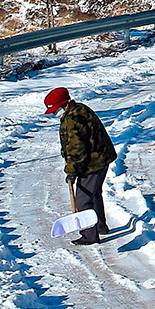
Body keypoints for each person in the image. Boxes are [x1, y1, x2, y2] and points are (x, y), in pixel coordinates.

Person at [45, 87, 117, 246]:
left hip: (94, 161)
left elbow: (77, 150)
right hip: (100, 157)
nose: (54, 114)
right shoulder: (77, 110)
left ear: (63, 105)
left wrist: (72, 171)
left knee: (83, 199)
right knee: (94, 193)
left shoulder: (73, 119)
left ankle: (89, 235)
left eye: (55, 110)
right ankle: (100, 226)